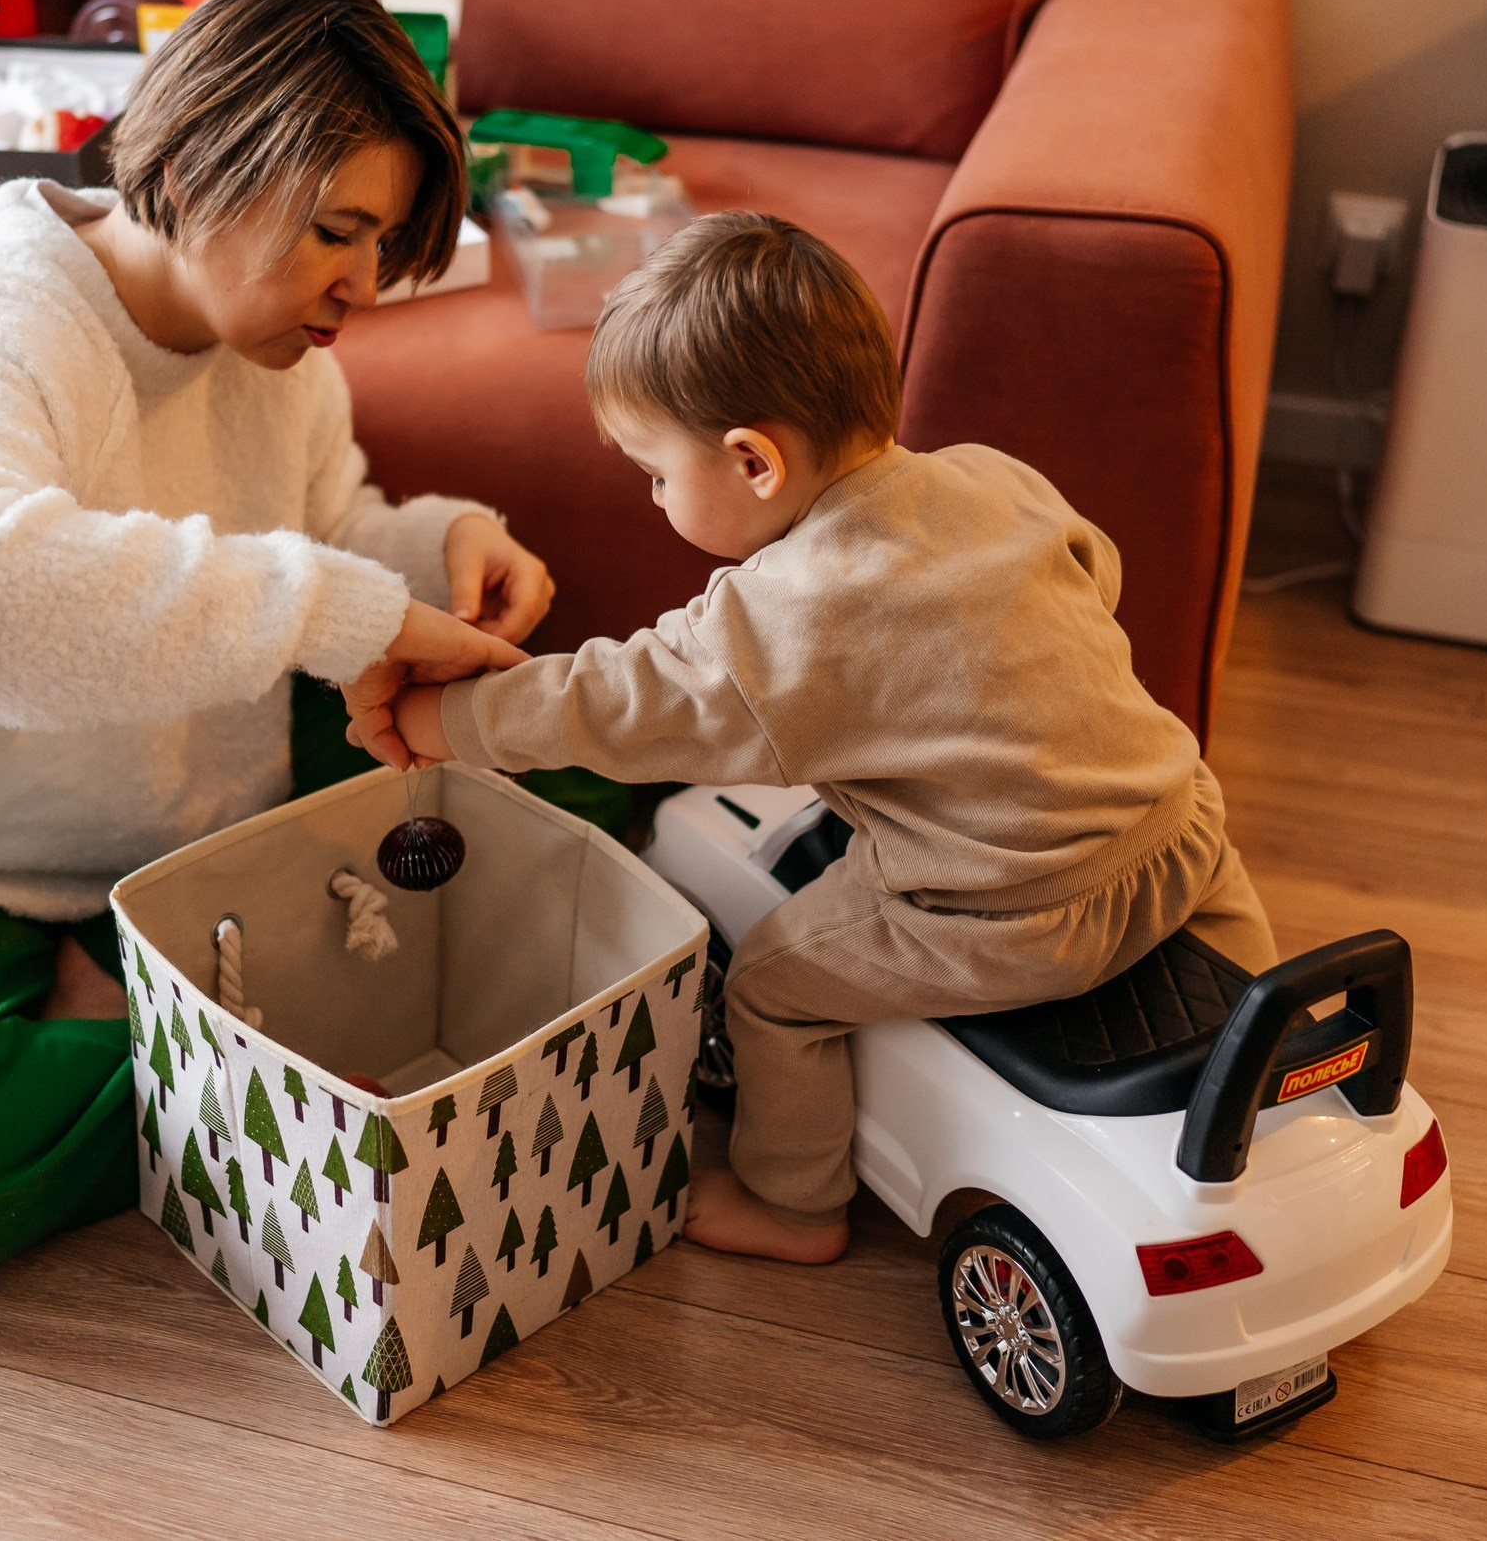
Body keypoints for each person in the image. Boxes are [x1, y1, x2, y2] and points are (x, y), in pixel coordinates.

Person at [0, 0, 551, 1267]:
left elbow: (322, 541)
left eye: (381, 245)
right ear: (213, 156)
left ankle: (178, 1033)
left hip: (175, 819)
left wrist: (436, 546)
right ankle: (275, 1072)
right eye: (338, 230)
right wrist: (334, 601)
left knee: (564, 762)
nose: (363, 286)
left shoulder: (277, 357)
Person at [354, 212, 1275, 1264]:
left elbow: (613, 704)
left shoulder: (785, 620)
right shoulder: (988, 476)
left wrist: (444, 716)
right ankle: (1262, 1066)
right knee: (1225, 958)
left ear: (752, 462)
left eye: (654, 473)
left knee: (775, 985)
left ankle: (793, 1205)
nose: (652, 496)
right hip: (1178, 825)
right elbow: (1095, 574)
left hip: (1013, 915)